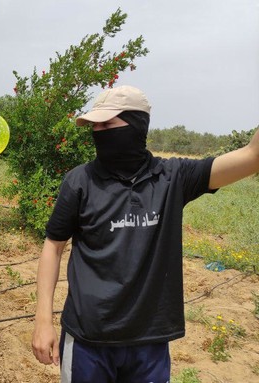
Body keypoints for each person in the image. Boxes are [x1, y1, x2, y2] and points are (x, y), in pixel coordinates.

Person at [31, 85, 259, 382]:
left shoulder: (173, 178)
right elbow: (53, 245)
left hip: (149, 341)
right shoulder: (80, 181)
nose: (98, 131)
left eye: (107, 124)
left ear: (137, 124)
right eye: (94, 125)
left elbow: (253, 156)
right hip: (88, 337)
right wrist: (42, 320)